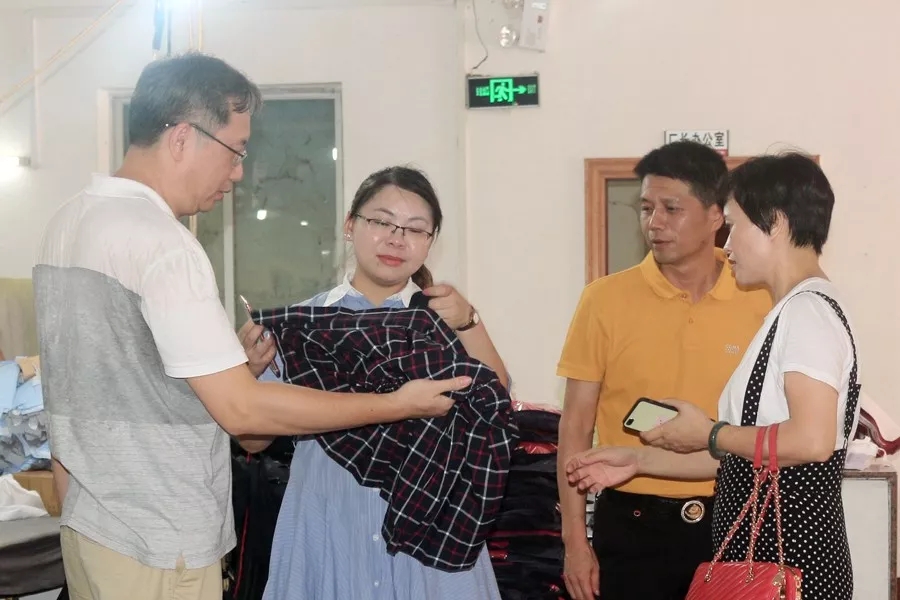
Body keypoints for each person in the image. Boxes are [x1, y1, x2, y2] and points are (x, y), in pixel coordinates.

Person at [32, 54, 468, 600]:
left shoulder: (67, 223)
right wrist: (397, 404)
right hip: (160, 540)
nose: (238, 172)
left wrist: (236, 368)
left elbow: (96, 391)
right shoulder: (163, 244)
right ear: (183, 137)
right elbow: (244, 413)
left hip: (92, 527)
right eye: (236, 151)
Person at [566, 153, 859, 600]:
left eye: (735, 226)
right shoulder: (794, 311)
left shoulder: (806, 313)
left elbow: (810, 441)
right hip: (762, 558)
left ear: (776, 223)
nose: (730, 244)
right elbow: (753, 455)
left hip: (787, 563)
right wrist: (639, 460)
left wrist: (711, 433)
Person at [238, 165, 508, 600]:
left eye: (415, 229)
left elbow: (496, 401)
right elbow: (253, 440)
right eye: (381, 222)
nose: (396, 239)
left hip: (428, 524)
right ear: (350, 225)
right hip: (328, 520)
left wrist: (469, 322)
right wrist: (250, 374)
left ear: (430, 241)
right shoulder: (303, 325)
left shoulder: (446, 319)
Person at [555, 140, 772, 600]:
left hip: (736, 517)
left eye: (672, 208)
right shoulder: (603, 300)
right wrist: (575, 541)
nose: (655, 222)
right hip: (631, 524)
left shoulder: (760, 297)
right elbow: (575, 427)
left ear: (715, 215)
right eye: (646, 208)